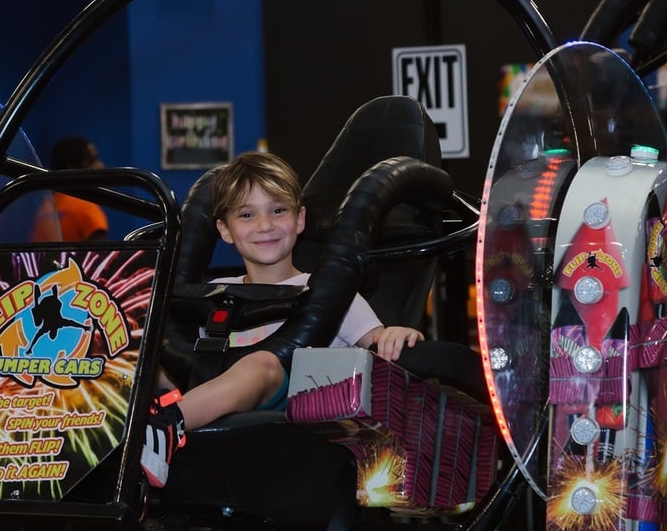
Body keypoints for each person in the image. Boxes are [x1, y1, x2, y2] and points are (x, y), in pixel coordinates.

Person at [141, 151, 424, 488]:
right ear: (225, 230)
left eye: (278, 211)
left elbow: (381, 346)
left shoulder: (328, 295)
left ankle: (165, 426)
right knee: (141, 349)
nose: (265, 226)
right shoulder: (209, 294)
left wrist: (396, 333)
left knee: (262, 364)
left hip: (294, 416)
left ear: (300, 219)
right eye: (247, 215)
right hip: (213, 404)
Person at [31, 136, 109, 241]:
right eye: (91, 160)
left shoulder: (45, 207)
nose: (100, 165)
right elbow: (100, 255)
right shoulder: (86, 207)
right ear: (71, 167)